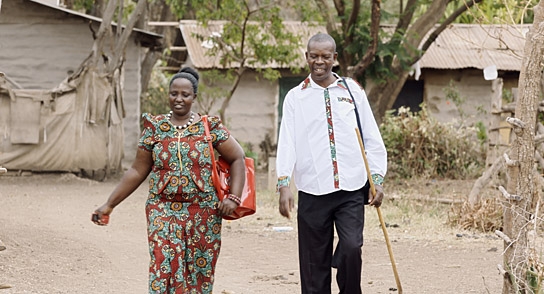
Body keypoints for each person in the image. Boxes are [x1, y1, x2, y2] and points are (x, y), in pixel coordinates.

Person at [92, 67, 246, 294]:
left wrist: (233, 197)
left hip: (203, 211)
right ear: (168, 95)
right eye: (174, 93)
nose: (179, 99)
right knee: (163, 266)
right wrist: (110, 204)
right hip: (162, 209)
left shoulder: (209, 127)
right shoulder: (154, 128)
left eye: (185, 94)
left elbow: (238, 158)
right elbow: (137, 170)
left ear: (194, 97)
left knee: (199, 273)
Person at [276, 33, 387, 294]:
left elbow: (371, 137)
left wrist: (377, 180)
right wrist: (284, 184)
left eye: (325, 56)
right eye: (314, 56)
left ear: (334, 58)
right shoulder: (295, 97)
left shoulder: (352, 91)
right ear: (306, 57)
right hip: (313, 191)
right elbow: (287, 142)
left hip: (351, 187)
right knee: (314, 264)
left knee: (351, 248)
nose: (319, 61)